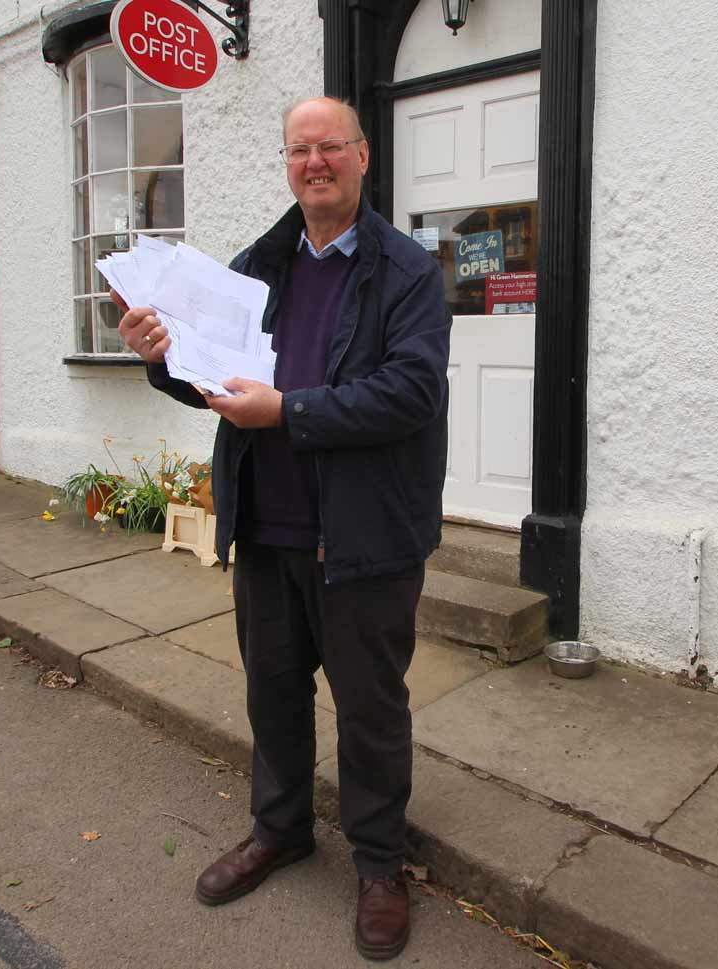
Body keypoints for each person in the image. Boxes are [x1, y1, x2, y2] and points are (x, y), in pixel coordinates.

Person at [112, 95, 451, 960]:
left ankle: (379, 863)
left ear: (362, 156)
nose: (314, 163)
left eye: (329, 147)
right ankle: (281, 827)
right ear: (288, 164)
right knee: (272, 691)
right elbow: (213, 378)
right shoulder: (258, 265)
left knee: (370, 709)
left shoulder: (407, 272)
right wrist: (162, 361)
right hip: (267, 526)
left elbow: (410, 393)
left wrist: (287, 410)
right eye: (299, 150)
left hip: (364, 536)